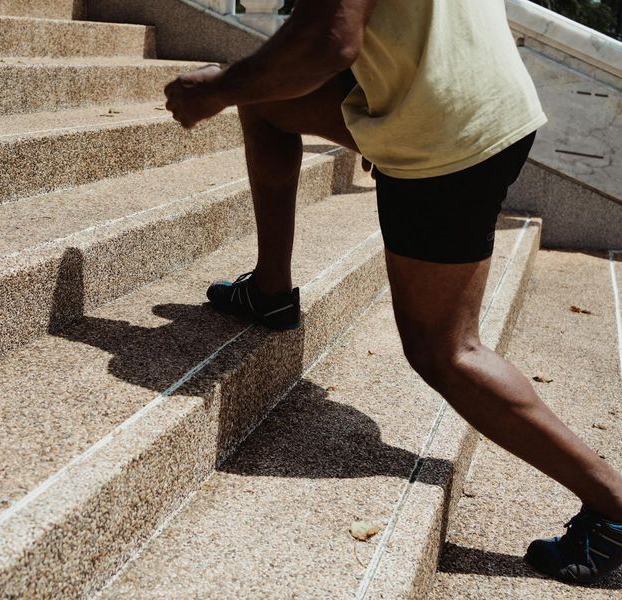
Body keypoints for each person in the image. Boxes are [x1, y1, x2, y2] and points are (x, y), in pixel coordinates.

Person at [163, 0, 622, 584]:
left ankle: (614, 510)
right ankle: (270, 290)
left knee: (446, 350)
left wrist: (217, 87)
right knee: (267, 103)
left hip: (444, 132)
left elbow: (329, 40)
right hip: (471, 98)